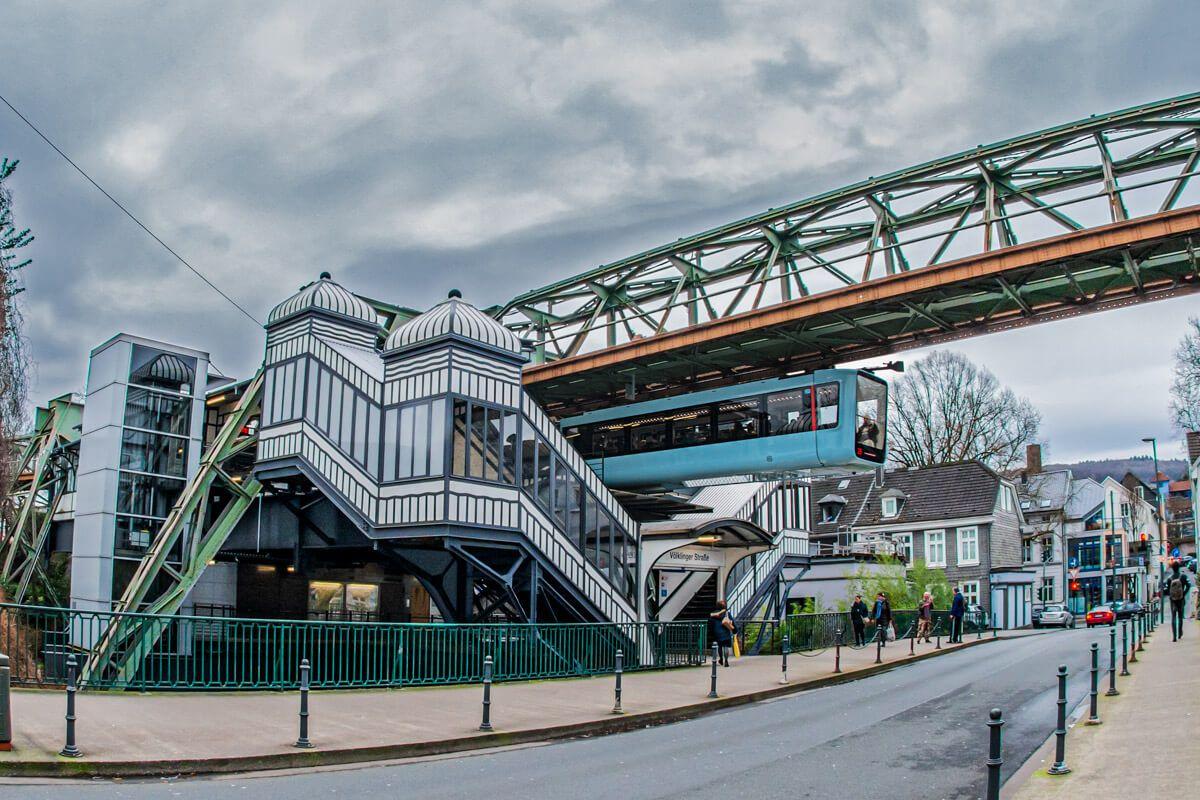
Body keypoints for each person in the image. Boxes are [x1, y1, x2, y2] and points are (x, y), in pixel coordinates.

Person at [709, 600, 736, 666]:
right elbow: (732, 622)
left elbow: (710, 624)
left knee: (720, 646)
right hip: (725, 632)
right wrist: (735, 630)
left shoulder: (713, 614)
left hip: (717, 632)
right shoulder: (727, 613)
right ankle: (726, 661)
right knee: (726, 646)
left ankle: (721, 659)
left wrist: (711, 632)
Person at [1167, 565, 1190, 641]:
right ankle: (1180, 633)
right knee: (1180, 616)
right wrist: (1184, 593)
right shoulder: (1183, 576)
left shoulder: (1169, 578)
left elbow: (1167, 590)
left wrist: (1171, 595)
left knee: (1173, 617)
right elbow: (1189, 585)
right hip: (1181, 599)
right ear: (1179, 568)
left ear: (1172, 569)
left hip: (1173, 600)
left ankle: (1174, 637)